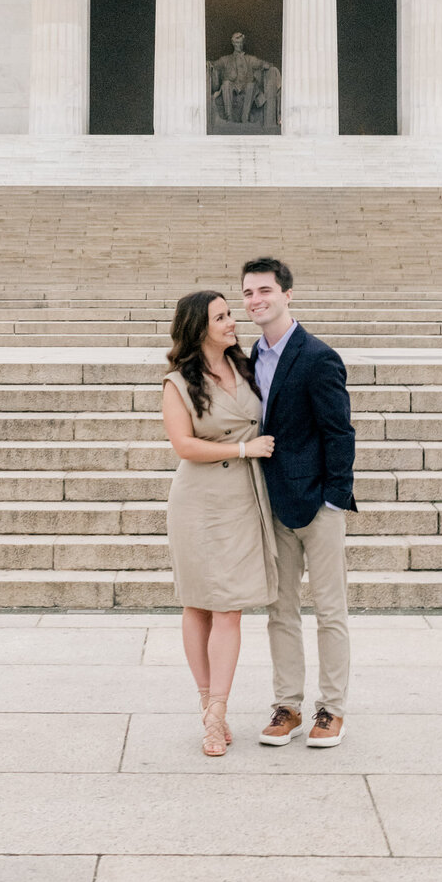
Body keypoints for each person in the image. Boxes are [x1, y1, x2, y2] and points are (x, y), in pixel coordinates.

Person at [243, 255, 356, 747]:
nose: (255, 300)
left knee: (330, 611)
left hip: (319, 505)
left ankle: (331, 709)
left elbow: (340, 432)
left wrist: (334, 498)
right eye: (247, 293)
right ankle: (286, 705)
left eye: (264, 291)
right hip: (272, 504)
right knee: (280, 610)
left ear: (287, 295)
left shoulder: (317, 356)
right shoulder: (250, 357)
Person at [162, 289, 278, 756]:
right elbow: (184, 446)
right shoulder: (177, 383)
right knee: (198, 604)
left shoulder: (248, 367)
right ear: (199, 327)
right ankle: (210, 708)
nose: (233, 322)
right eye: (222, 317)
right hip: (199, 503)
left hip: (244, 500)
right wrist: (241, 449)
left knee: (230, 607)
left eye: (230, 314)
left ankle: (217, 710)